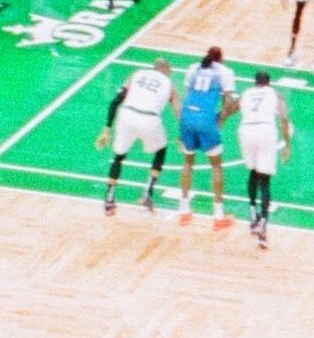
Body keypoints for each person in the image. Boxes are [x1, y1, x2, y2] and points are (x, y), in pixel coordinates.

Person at [97, 56, 176, 220]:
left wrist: (107, 128)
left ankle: (109, 198)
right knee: (161, 150)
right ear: (167, 71)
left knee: (118, 156)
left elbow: (115, 100)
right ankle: (148, 192)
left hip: (127, 115)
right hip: (149, 119)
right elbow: (178, 110)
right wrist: (184, 133)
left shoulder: (136, 74)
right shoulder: (169, 84)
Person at [174, 46, 236, 226]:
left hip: (187, 116)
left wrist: (183, 125)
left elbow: (187, 96)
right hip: (205, 119)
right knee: (216, 166)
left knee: (187, 163)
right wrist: (221, 120)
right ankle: (218, 216)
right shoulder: (225, 72)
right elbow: (228, 102)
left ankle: (184, 211)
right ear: (221, 59)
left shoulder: (193, 68)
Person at [237, 68, 293, 250]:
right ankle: (263, 227)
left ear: (255, 83)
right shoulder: (275, 94)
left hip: (246, 130)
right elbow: (284, 119)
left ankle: (252, 213)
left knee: (252, 172)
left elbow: (230, 108)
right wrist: (287, 143)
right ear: (269, 83)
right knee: (265, 181)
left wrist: (220, 119)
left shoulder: (246, 93)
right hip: (265, 131)